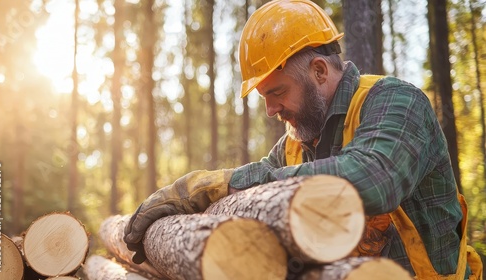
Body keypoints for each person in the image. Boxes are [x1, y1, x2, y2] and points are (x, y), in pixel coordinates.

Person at [124, 0, 483, 278]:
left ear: (319, 71)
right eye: (264, 96)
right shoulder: (295, 144)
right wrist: (192, 194)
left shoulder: (398, 103)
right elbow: (257, 186)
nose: (270, 110)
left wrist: (226, 183)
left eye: (277, 91)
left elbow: (375, 180)